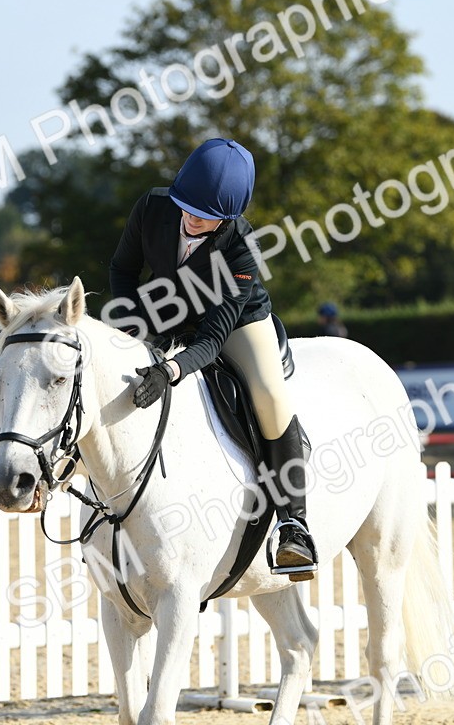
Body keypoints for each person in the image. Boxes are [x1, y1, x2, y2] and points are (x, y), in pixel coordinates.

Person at [109, 137, 318, 581]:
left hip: (237, 324)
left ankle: (294, 525)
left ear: (228, 217)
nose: (189, 218)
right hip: (166, 311)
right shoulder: (153, 207)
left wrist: (171, 369)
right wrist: (133, 328)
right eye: (186, 206)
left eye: (203, 216)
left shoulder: (241, 250)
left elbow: (211, 340)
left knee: (269, 395)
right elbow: (123, 271)